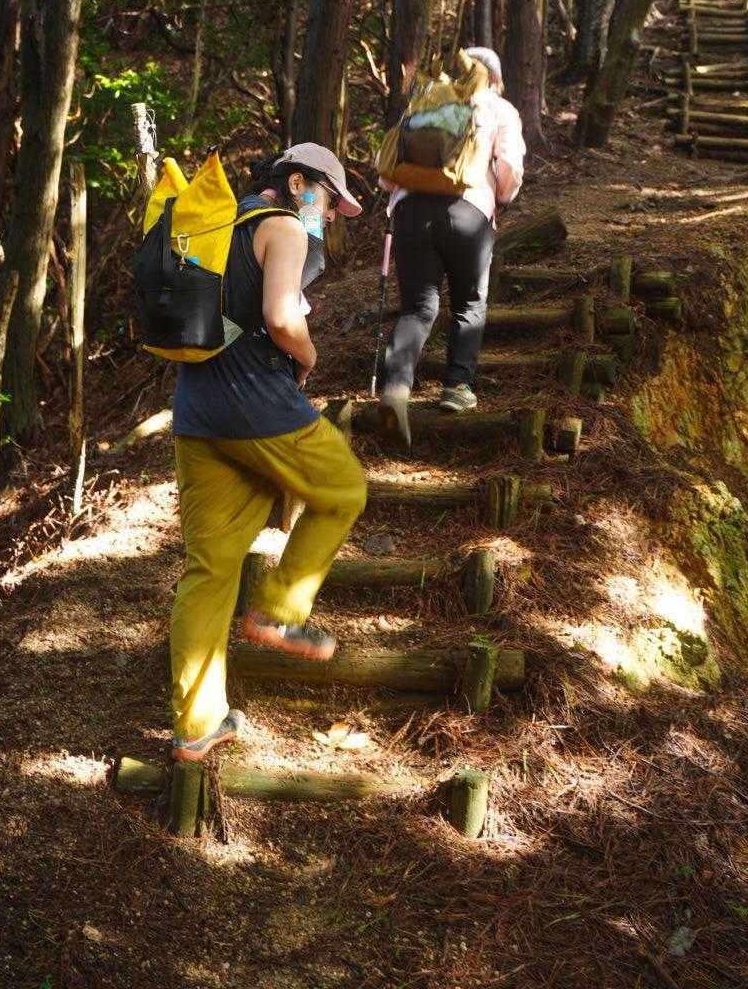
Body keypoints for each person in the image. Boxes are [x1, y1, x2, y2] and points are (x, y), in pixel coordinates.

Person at [169, 142, 367, 764]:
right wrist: (308, 357)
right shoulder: (283, 227)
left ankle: (197, 725)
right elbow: (282, 319)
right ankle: (279, 611)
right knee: (344, 490)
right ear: (299, 183)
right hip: (257, 403)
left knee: (210, 568)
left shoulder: (219, 223)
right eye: (329, 200)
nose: (330, 215)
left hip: (197, 411)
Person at [378, 47, 524, 447]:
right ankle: (457, 387)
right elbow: (510, 167)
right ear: (495, 78)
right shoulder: (500, 108)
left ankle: (396, 386)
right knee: (469, 302)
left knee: (418, 307)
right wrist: (501, 197)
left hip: (410, 213)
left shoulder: (426, 101)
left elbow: (386, 170)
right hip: (468, 211)